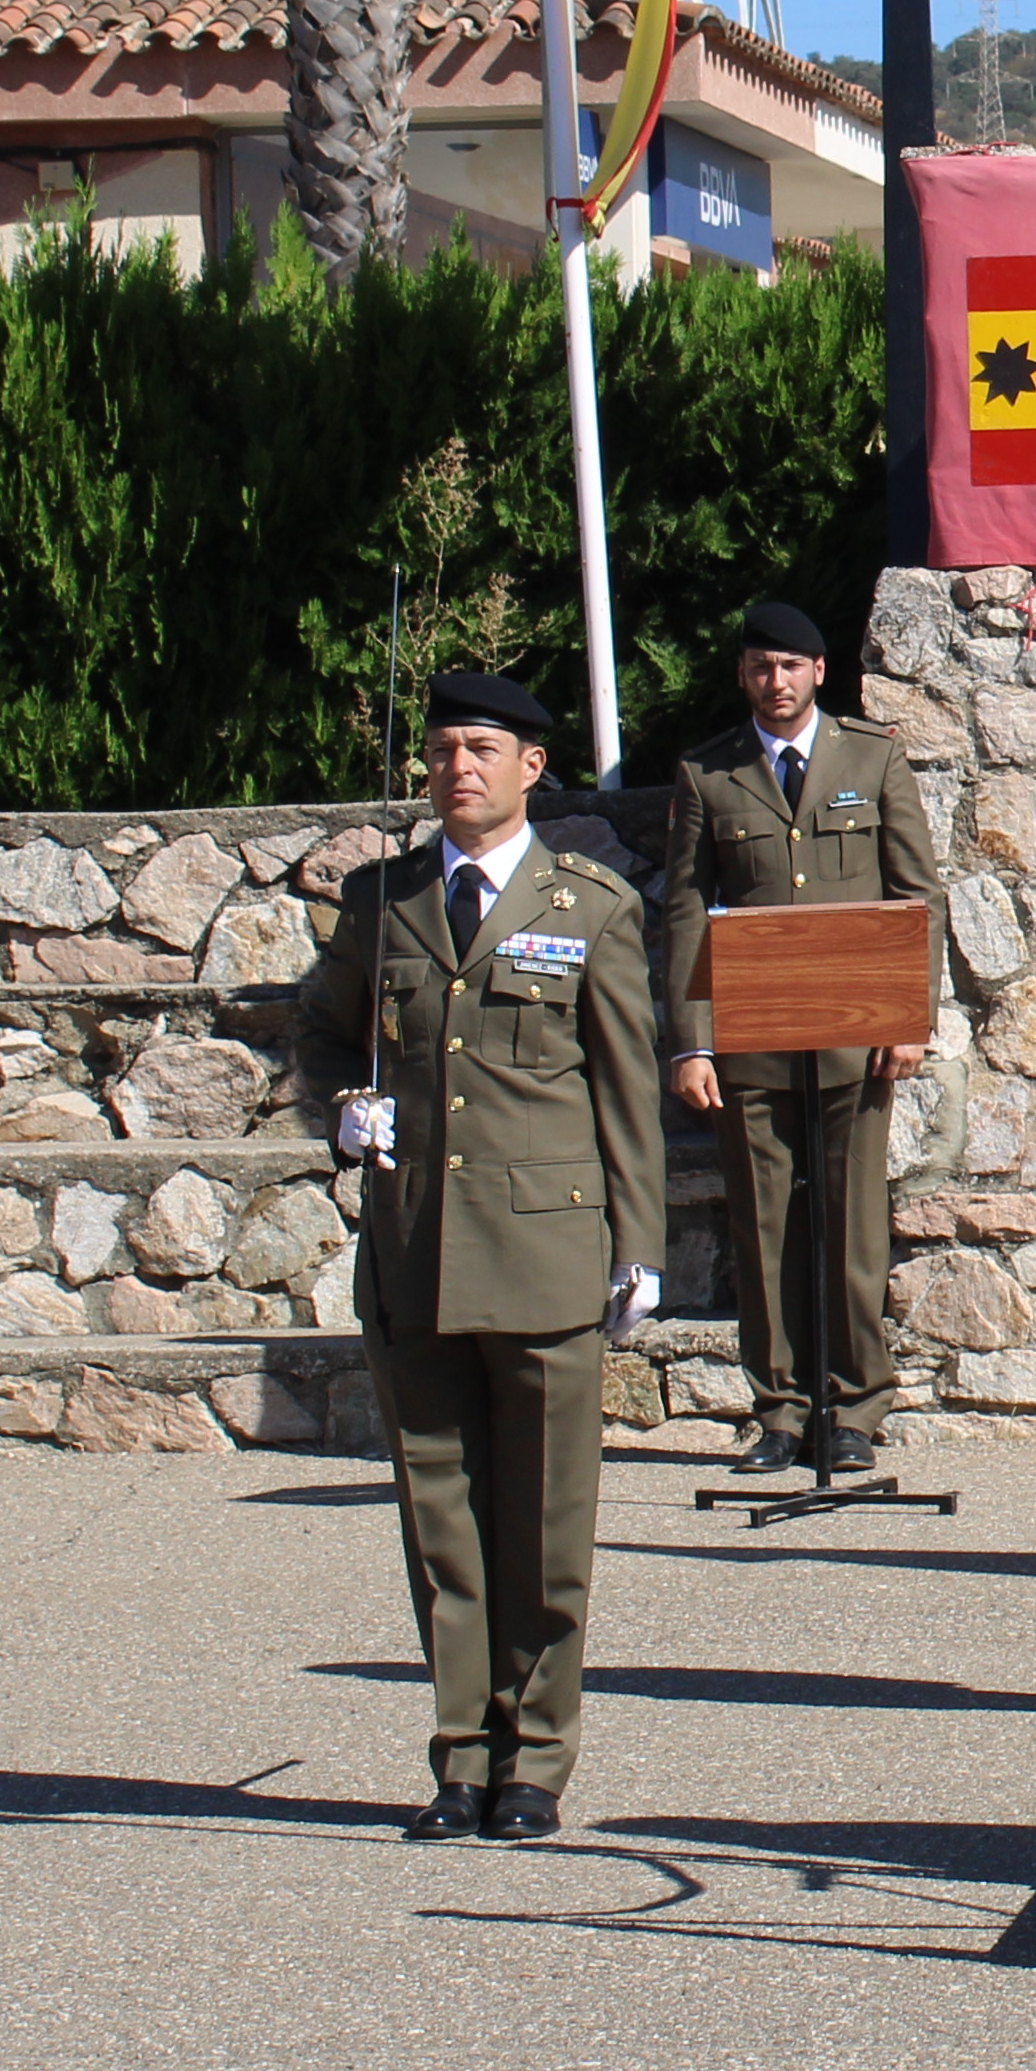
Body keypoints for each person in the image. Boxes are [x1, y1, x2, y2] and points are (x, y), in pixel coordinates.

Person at [300, 667, 665, 1842]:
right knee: (442, 1520)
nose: (459, 767)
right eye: (446, 747)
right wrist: (338, 1107)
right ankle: (462, 1755)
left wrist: (639, 1245)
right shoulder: (385, 901)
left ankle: (537, 1761)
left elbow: (626, 1089)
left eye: (483, 749)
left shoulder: (589, 908)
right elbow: (322, 1024)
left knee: (548, 1525)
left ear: (530, 770)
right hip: (418, 1254)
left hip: (547, 1250)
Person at [648, 599, 919, 1485]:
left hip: (854, 1033)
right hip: (752, 1038)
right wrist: (691, 1043)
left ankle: (854, 1408)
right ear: (743, 677)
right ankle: (779, 1409)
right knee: (764, 1226)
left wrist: (907, 1018)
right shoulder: (708, 773)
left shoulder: (871, 757)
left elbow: (915, 891)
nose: (776, 682)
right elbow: (685, 910)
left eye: (791, 667)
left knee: (850, 1224)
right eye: (761, 667)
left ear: (818, 674)